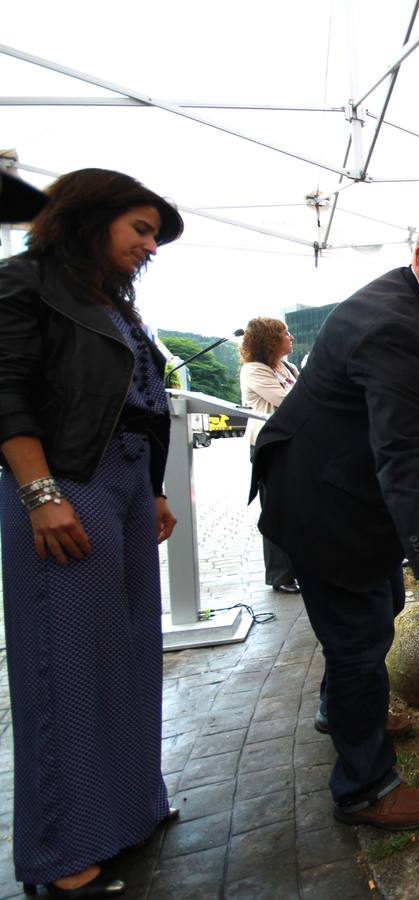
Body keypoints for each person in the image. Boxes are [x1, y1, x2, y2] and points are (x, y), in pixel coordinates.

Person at [251, 214, 419, 832]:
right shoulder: (394, 326)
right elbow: (403, 460)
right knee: (359, 642)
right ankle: (365, 788)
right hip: (326, 504)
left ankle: (344, 711)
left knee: (380, 605)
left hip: (350, 494)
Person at [0, 168, 184, 897]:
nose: (149, 246)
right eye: (140, 229)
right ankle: (65, 851)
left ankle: (131, 810)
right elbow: (5, 389)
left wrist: (156, 488)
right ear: (90, 218)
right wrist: (39, 492)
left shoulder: (109, 301)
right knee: (64, 667)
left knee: (133, 648)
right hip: (64, 482)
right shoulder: (25, 282)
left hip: (128, 485)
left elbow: (136, 401)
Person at [238, 316, 301, 593]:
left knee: (297, 507)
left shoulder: (287, 366)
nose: (291, 338)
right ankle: (281, 575)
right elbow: (290, 401)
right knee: (276, 507)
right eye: (285, 334)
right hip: (269, 445)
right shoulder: (254, 370)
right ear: (270, 339)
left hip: (293, 443)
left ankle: (299, 568)